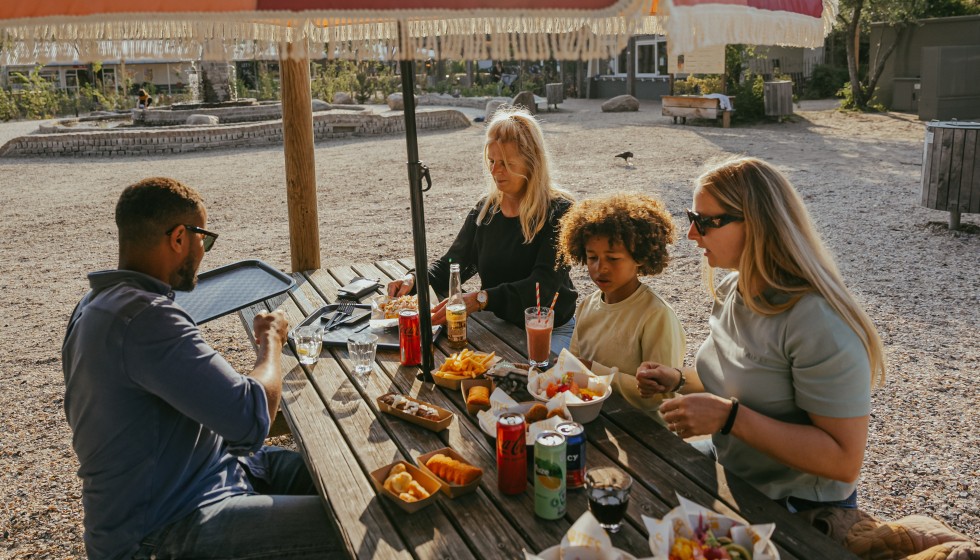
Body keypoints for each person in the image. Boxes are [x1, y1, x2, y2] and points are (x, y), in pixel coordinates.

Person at [62, 177, 346, 559]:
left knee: (348, 477)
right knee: (357, 522)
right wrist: (271, 342)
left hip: (208, 473)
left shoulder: (95, 305)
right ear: (179, 237)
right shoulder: (146, 317)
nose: (204, 251)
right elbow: (251, 418)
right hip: (164, 529)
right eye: (204, 239)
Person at [636, 157, 886, 512]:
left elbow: (844, 461)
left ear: (758, 225)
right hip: (738, 471)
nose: (691, 234)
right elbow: (742, 384)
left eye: (706, 222)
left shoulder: (817, 321)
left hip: (795, 504)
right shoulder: (733, 288)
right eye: (693, 219)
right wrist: (677, 379)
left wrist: (728, 418)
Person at [388, 106, 578, 353]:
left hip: (551, 330)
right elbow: (452, 263)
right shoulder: (485, 210)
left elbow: (540, 288)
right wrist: (413, 278)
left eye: (507, 163)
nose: (495, 170)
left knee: (526, 384)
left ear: (532, 163)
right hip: (498, 322)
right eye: (492, 161)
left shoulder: (559, 212)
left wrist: (481, 299)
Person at [557, 192, 686, 423]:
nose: (600, 268)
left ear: (640, 257)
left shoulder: (656, 315)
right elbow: (574, 368)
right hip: (593, 418)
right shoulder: (587, 305)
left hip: (644, 433)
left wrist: (596, 372)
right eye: (592, 257)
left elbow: (660, 396)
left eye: (613, 258)